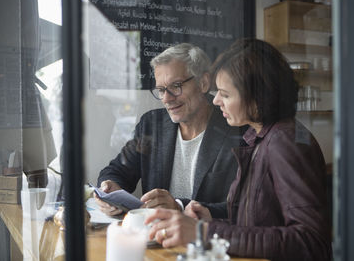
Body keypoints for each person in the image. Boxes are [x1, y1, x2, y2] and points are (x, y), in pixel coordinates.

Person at [145, 39, 332, 260]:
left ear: (257, 98)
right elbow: (260, 225)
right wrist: (211, 219)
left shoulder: (285, 143)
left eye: (225, 94)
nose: (215, 101)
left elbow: (310, 241)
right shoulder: (260, 137)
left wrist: (203, 232)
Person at [96, 43, 245, 218]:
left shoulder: (238, 130)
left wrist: (180, 207)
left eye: (176, 86)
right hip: (156, 237)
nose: (166, 98)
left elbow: (241, 206)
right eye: (160, 90)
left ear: (203, 83)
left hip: (205, 240)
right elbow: (116, 170)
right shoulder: (152, 125)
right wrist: (109, 189)